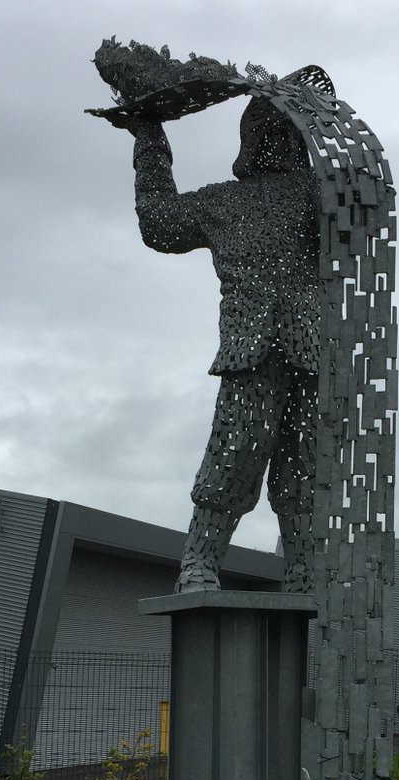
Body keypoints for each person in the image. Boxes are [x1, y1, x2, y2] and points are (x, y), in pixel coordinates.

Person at [95, 44, 323, 593]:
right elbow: (160, 224)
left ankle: (301, 570)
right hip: (253, 349)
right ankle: (200, 561)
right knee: (236, 455)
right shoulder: (235, 202)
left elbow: (371, 213)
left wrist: (150, 136)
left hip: (314, 351)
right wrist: (150, 141)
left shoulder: (322, 197)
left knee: (306, 466)